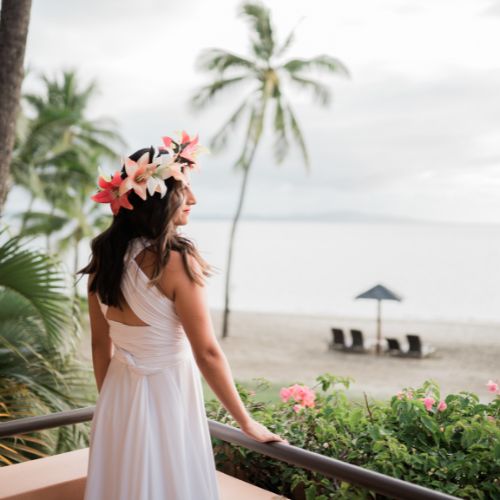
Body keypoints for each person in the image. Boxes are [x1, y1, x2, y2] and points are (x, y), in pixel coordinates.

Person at [77, 131, 288, 500]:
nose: (193, 198)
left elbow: (99, 346)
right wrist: (246, 422)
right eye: (184, 189)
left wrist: (113, 405)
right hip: (169, 397)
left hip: (117, 397)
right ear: (157, 198)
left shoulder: (103, 260)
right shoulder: (175, 261)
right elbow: (206, 352)